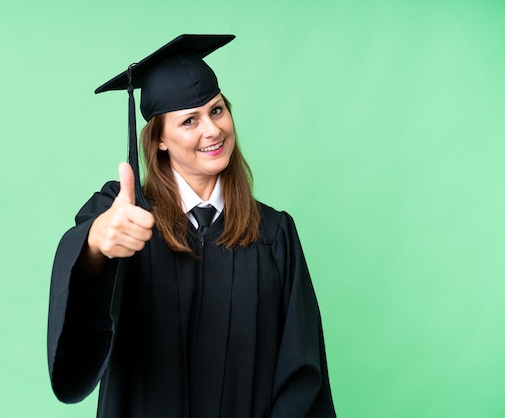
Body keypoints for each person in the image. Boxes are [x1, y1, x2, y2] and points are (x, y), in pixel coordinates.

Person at [47, 34, 336, 418]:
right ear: (160, 140)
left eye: (216, 111)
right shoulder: (125, 214)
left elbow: (301, 369)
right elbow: (88, 269)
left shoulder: (273, 234)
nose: (212, 130)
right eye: (189, 120)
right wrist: (98, 243)